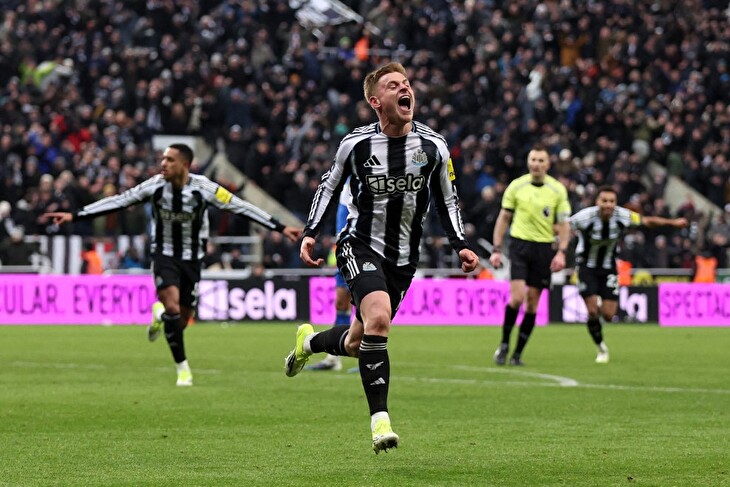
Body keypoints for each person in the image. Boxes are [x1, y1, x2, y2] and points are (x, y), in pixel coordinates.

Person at [285, 62, 480, 453]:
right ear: (376, 101)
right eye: (393, 85)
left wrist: (459, 242)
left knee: (357, 342)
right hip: (359, 244)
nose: (405, 88)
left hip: (404, 259)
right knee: (378, 320)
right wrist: (310, 233)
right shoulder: (356, 145)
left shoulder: (434, 146)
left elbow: (448, 198)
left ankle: (309, 343)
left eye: (407, 83)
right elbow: (328, 187)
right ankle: (380, 424)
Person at [45, 143, 301, 386]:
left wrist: (279, 227)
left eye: (170, 160)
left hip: (192, 258)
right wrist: (75, 215)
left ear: (185, 165)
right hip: (164, 255)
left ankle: (160, 316)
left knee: (182, 318)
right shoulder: (155, 186)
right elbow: (119, 201)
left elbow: (240, 206)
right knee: (172, 306)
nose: (163, 164)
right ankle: (182, 368)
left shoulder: (203, 188)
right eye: (163, 159)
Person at [571, 185, 688, 362]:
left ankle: (598, 312)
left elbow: (647, 221)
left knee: (609, 315)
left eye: (612, 201)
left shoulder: (623, 216)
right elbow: (563, 226)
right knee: (592, 311)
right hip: (586, 267)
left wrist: (672, 223)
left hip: (609, 267)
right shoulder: (584, 217)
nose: (608, 205)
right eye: (604, 201)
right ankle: (601, 347)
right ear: (597, 202)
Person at [489, 143, 572, 366]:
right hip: (520, 246)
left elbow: (564, 224)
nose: (536, 164)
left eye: (541, 160)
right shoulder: (517, 186)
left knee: (533, 304)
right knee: (517, 298)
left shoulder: (557, 190)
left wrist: (562, 252)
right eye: (533, 159)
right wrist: (497, 249)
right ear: (528, 162)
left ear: (548, 164)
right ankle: (504, 343)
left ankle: (517, 353)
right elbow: (504, 218)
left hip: (544, 248)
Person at [306, 180, 354, 372]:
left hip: (368, 245)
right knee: (341, 301)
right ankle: (334, 358)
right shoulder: (346, 185)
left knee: (368, 304)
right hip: (346, 249)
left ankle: (370, 358)